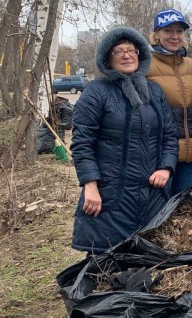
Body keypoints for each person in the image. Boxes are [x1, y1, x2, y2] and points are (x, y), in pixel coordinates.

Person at [71, 26, 178, 253]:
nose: (127, 55)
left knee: (147, 259)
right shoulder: (96, 91)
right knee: (106, 262)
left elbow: (169, 136)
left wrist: (166, 168)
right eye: (118, 51)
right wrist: (90, 185)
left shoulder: (154, 92)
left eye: (131, 50)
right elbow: (82, 143)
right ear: (107, 58)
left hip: (150, 196)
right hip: (110, 195)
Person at [147, 8, 192, 195]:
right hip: (159, 156)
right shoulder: (145, 66)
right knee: (157, 210)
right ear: (156, 35)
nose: (174, 36)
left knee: (180, 209)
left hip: (190, 156)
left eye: (179, 31)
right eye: (168, 31)